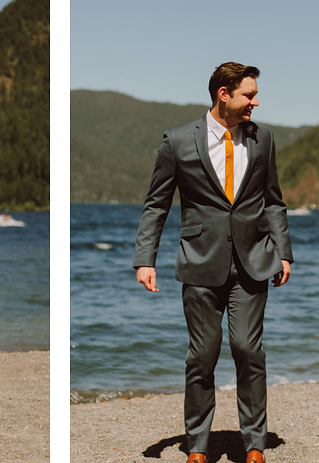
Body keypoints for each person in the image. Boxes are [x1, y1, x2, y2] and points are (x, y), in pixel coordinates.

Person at [133, 62, 292, 463]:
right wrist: (144, 259)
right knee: (202, 355)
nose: (256, 101)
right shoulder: (178, 140)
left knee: (247, 349)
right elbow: (156, 204)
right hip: (200, 261)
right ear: (224, 94)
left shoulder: (264, 139)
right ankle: (198, 445)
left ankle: (254, 443)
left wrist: (284, 251)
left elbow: (273, 199)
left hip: (254, 260)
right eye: (249, 95)